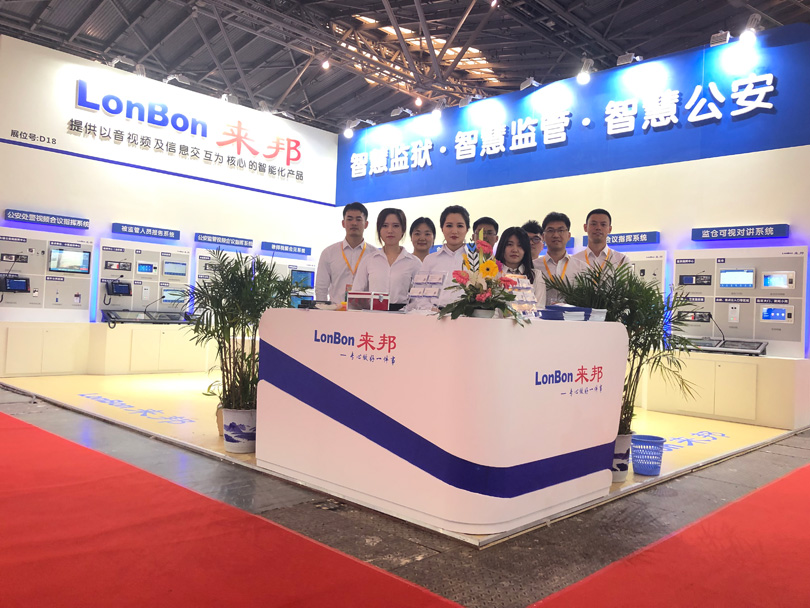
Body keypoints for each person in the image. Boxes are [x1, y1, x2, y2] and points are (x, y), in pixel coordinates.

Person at [352, 208, 421, 309]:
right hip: (373, 314)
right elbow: (356, 293)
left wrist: (406, 310)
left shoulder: (414, 263)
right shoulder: (369, 260)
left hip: (403, 314)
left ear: (403, 229)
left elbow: (419, 298)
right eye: (385, 226)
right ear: (379, 230)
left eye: (395, 226)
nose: (390, 230)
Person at [315, 202, 377, 302]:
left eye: (358, 219)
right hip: (336, 310)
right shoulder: (329, 253)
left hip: (364, 310)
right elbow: (321, 288)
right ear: (343, 223)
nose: (354, 223)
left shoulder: (374, 254)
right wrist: (323, 309)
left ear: (366, 224)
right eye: (349, 219)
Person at [421, 205, 470, 308]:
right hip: (433, 314)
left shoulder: (475, 260)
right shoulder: (430, 260)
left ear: (467, 229)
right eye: (449, 225)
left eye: (460, 226)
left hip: (465, 315)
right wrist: (431, 309)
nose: (454, 231)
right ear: (442, 228)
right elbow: (420, 295)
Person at [537, 212, 587, 305]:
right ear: (543, 237)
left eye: (561, 230)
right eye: (550, 230)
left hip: (572, 314)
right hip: (539, 314)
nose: (556, 235)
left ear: (568, 235)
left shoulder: (582, 268)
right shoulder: (533, 266)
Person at [494, 227, 546, 308]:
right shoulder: (492, 274)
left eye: (520, 245)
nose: (515, 250)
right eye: (509, 244)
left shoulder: (536, 275)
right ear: (502, 246)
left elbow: (539, 307)